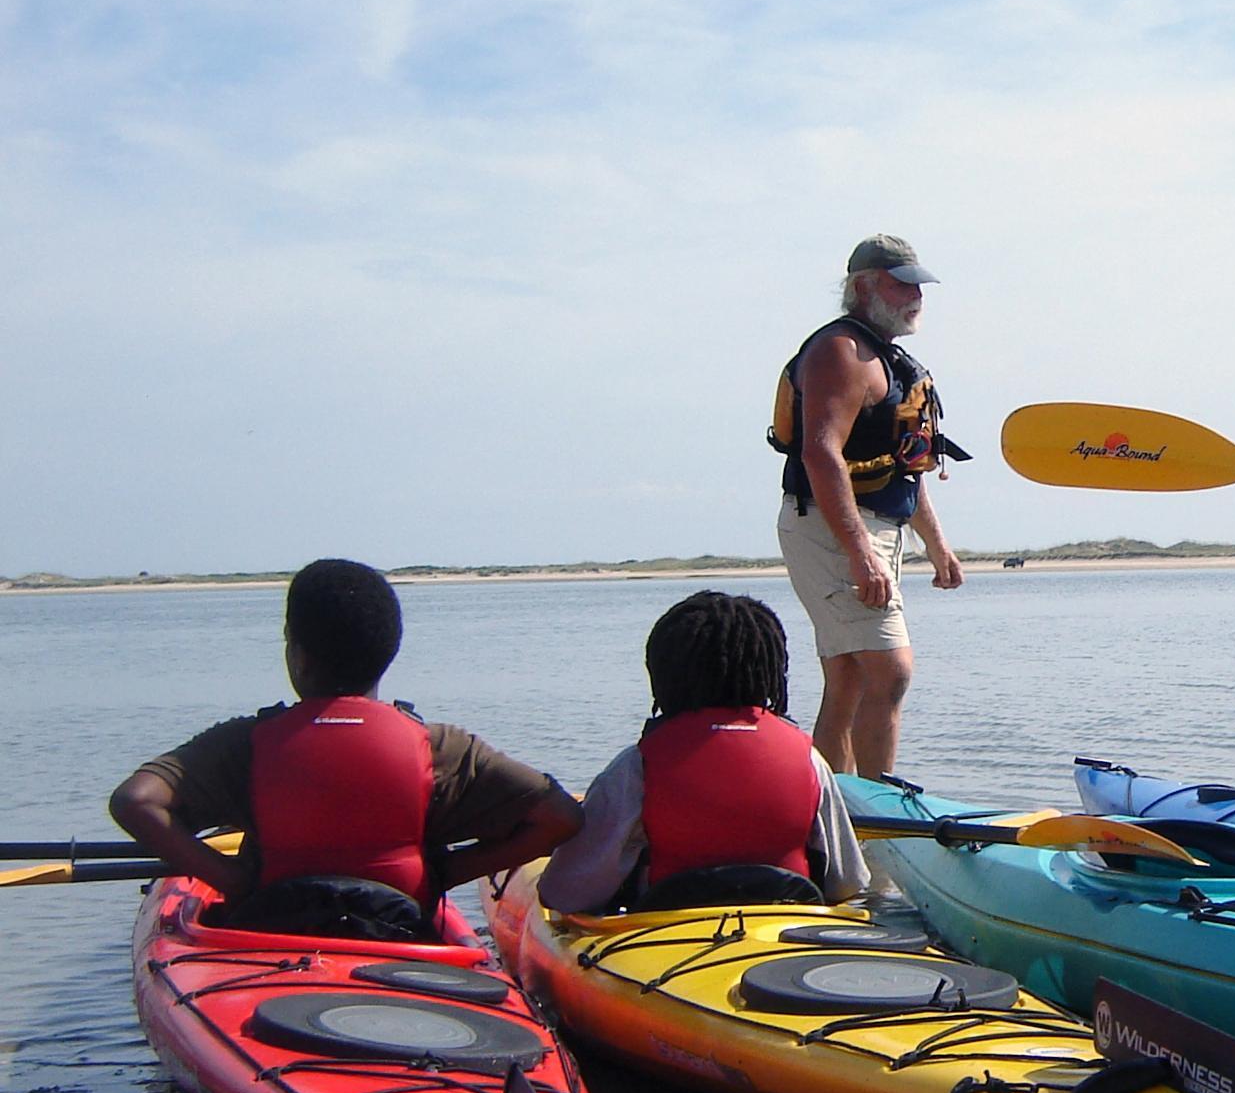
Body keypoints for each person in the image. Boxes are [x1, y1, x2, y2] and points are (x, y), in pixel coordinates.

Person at [109, 559, 581, 927]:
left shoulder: (245, 743)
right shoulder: (444, 749)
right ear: (388, 651)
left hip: (266, 933)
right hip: (400, 933)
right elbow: (560, 817)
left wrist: (232, 879)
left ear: (297, 654)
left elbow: (135, 802)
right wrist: (447, 873)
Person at [770, 233, 968, 777]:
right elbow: (820, 451)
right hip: (836, 531)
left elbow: (905, 464)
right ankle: (880, 820)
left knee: (852, 681)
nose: (915, 296)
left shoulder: (889, 360)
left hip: (873, 528)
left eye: (919, 286)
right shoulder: (841, 350)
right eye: (901, 285)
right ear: (862, 287)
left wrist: (937, 546)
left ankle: (838, 816)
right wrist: (859, 551)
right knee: (891, 673)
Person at [536, 590, 869, 913]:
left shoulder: (638, 765)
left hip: (662, 938)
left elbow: (565, 894)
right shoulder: (808, 759)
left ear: (665, 674)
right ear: (769, 671)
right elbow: (847, 883)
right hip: (782, 928)